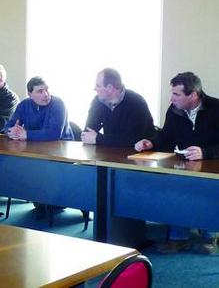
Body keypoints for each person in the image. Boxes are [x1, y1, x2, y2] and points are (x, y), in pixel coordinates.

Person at [134, 71, 219, 254]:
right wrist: (151, 142)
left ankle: (211, 237)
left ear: (193, 95)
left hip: (214, 167)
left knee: (207, 189)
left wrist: (205, 152)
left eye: (176, 94)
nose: (171, 99)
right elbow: (166, 137)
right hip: (187, 165)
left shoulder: (216, 108)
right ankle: (178, 238)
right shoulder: (174, 110)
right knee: (176, 186)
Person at [81, 68, 154, 146]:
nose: (94, 89)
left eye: (98, 86)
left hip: (138, 154)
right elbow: (87, 134)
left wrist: (98, 139)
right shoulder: (98, 101)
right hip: (110, 154)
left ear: (109, 88)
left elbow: (133, 139)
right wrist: (101, 139)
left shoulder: (136, 102)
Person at [3, 77, 73, 141]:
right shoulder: (24, 104)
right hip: (34, 145)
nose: (46, 94)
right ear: (30, 94)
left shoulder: (58, 103)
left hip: (61, 146)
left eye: (47, 90)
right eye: (40, 91)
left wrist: (27, 134)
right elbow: (8, 126)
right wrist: (12, 132)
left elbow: (55, 134)